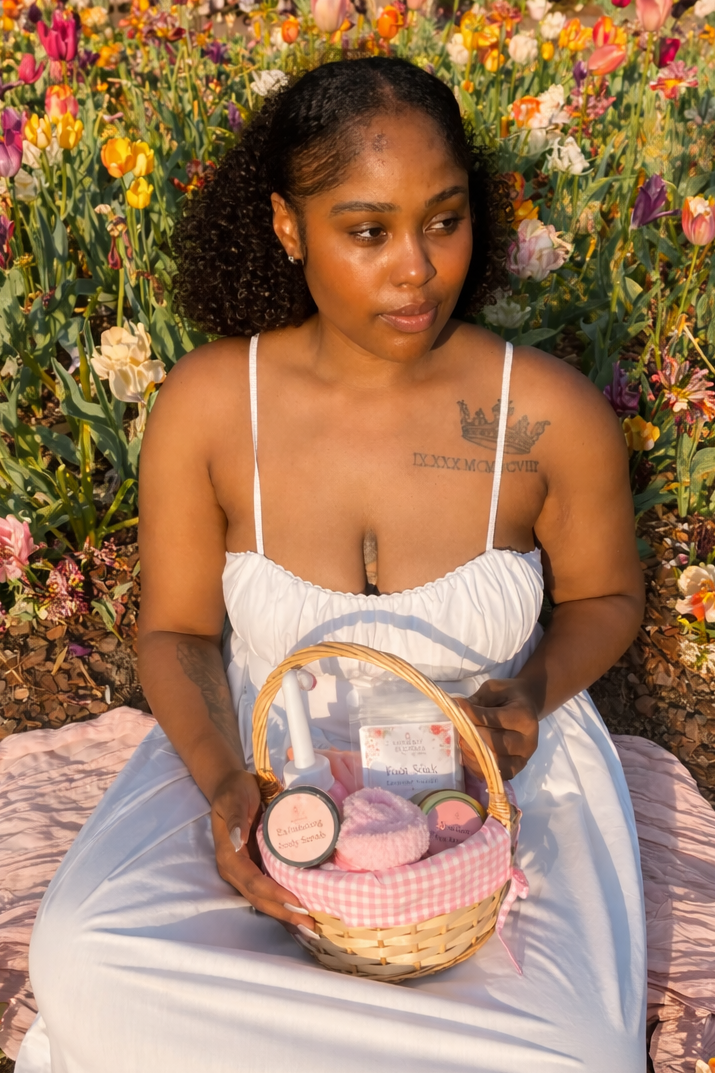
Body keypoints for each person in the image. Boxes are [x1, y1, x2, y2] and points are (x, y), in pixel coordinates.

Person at [17, 57, 647, 1072]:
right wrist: (229, 793)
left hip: (488, 783)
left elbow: (607, 595)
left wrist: (527, 691)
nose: (417, 268)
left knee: (573, 1046)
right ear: (286, 227)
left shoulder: (542, 411)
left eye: (443, 221)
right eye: (368, 231)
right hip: (262, 750)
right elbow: (176, 631)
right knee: (89, 956)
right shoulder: (215, 403)